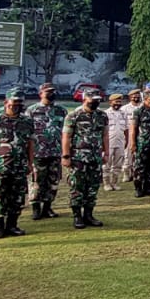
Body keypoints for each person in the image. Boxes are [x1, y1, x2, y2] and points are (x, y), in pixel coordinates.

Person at [0, 88, 35, 238]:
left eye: (19, 102)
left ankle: (12, 225)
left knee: (17, 197)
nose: (16, 105)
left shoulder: (26, 121)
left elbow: (31, 144)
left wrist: (30, 163)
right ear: (6, 102)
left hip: (19, 166)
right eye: (14, 102)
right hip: (0, 166)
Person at [62, 87, 110, 227]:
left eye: (97, 100)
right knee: (77, 187)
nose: (95, 103)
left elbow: (105, 135)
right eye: (92, 100)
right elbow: (66, 136)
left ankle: (88, 215)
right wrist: (66, 156)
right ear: (85, 99)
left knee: (92, 187)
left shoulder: (102, 116)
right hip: (78, 158)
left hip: (95, 157)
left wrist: (106, 153)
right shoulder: (74, 116)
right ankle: (77, 216)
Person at [25, 84, 68, 221]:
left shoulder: (61, 111)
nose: (51, 94)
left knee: (53, 182)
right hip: (38, 153)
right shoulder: (32, 111)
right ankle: (36, 208)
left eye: (52, 92)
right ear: (40, 93)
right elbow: (27, 133)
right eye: (48, 92)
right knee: (37, 182)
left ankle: (47, 207)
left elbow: (66, 133)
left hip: (55, 152)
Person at [130, 90, 150, 197]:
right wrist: (133, 143)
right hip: (142, 143)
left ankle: (148, 187)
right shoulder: (139, 111)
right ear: (145, 99)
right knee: (140, 167)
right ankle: (138, 188)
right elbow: (134, 129)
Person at [104, 92, 131, 192]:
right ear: (110, 102)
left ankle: (115, 183)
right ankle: (107, 183)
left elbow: (126, 129)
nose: (118, 103)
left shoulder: (123, 113)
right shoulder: (106, 113)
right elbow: (103, 131)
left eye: (119, 102)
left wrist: (127, 141)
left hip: (120, 142)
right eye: (116, 101)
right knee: (107, 164)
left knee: (118, 164)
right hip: (109, 142)